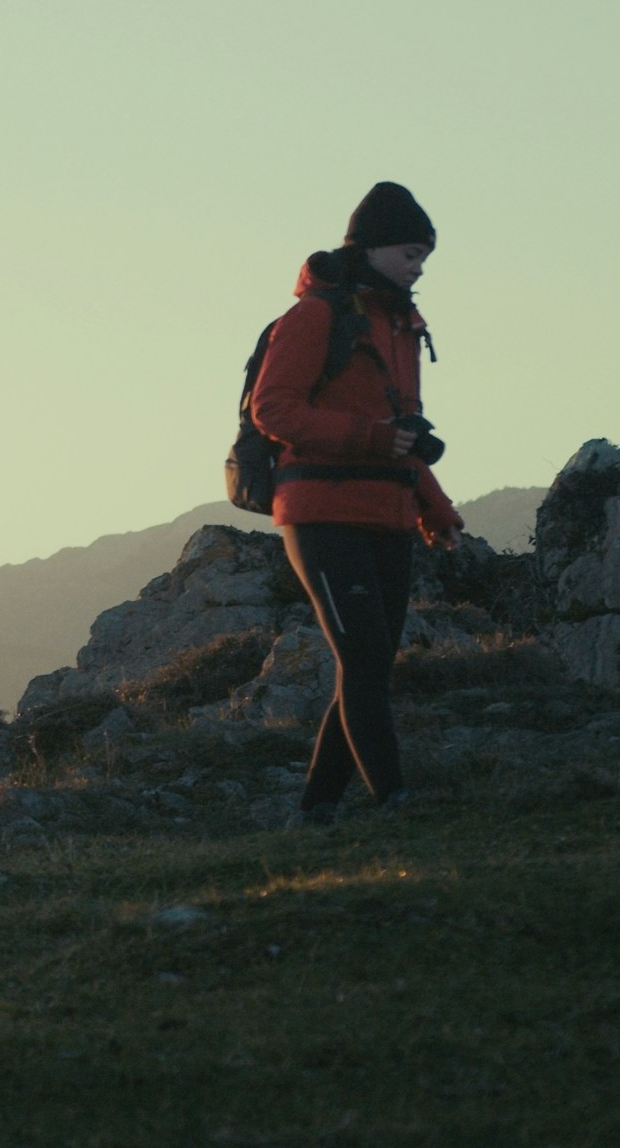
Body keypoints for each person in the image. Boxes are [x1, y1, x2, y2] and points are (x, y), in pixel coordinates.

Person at [244, 181, 465, 826]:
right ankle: (395, 799)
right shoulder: (314, 317)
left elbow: (404, 431)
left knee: (371, 666)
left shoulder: (401, 325)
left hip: (388, 513)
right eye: (409, 250)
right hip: (320, 511)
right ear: (369, 247)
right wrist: (370, 438)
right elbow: (273, 409)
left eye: (425, 255)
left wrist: (435, 509)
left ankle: (315, 810)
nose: (418, 264)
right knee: (365, 659)